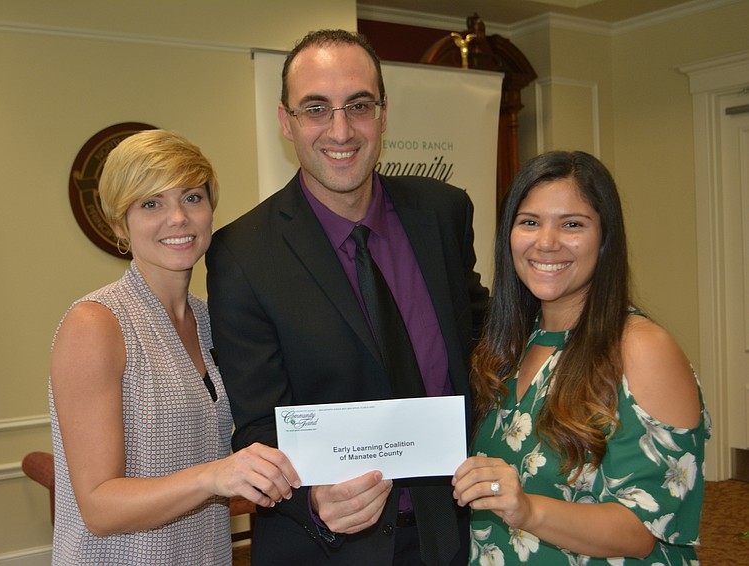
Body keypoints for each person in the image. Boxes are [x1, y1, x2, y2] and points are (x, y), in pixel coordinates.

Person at [206, 30, 489, 566]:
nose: (341, 129)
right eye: (316, 108)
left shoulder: (444, 212)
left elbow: (483, 345)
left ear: (383, 114)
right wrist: (313, 504)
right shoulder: (241, 254)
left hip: (458, 532)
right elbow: (258, 424)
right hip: (328, 546)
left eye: (358, 105)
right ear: (286, 121)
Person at [48, 129, 300, 565]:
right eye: (151, 204)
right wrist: (214, 476)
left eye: (192, 198)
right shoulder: (96, 323)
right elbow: (99, 507)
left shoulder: (209, 320)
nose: (178, 218)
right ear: (117, 225)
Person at [452, 150, 710, 564]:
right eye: (529, 222)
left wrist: (528, 509)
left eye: (572, 224)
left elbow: (640, 530)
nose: (547, 242)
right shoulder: (508, 345)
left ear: (605, 238)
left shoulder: (639, 348)